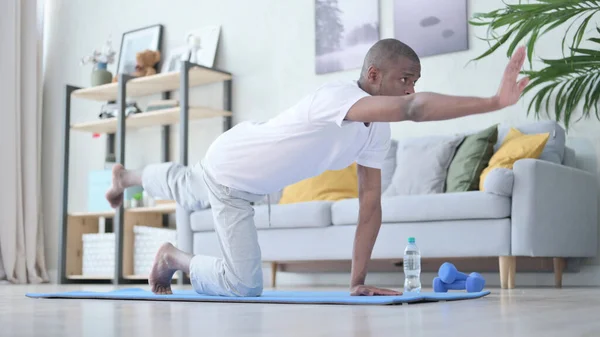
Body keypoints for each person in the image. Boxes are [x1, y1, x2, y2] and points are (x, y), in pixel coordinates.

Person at [105, 39, 529, 297]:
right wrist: (493, 102)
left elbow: (369, 204)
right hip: (233, 172)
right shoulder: (335, 97)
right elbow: (413, 109)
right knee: (244, 285)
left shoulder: (375, 132)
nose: (411, 89)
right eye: (405, 79)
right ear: (374, 75)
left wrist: (357, 280)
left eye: (416, 80)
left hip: (238, 163)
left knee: (185, 181)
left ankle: (128, 177)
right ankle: (172, 256)